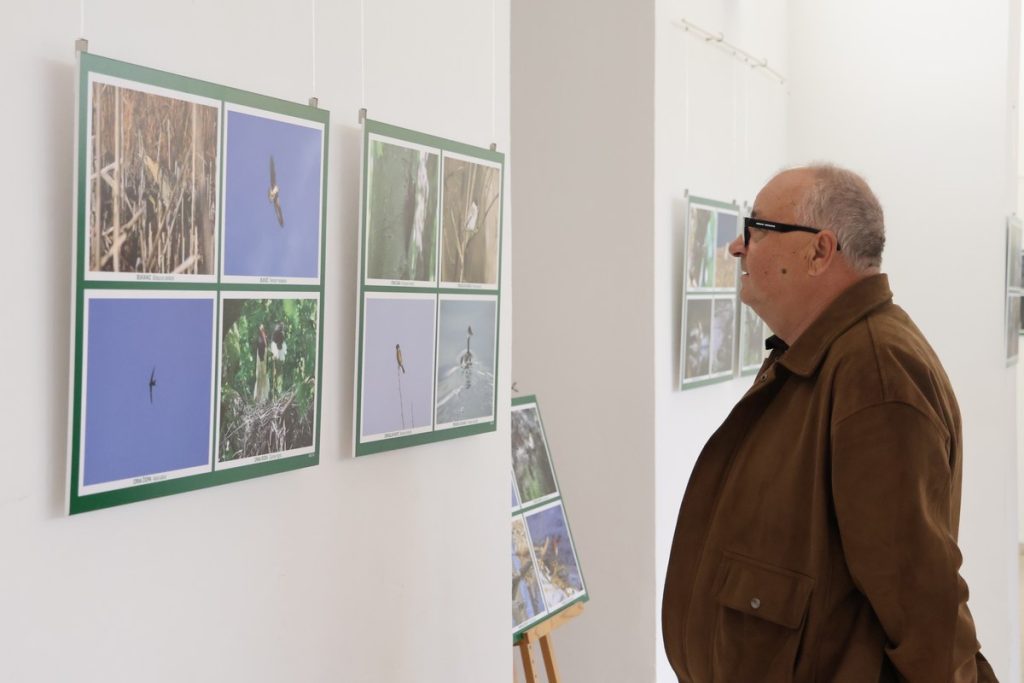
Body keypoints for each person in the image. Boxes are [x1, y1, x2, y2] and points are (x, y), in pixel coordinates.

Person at [662, 165, 997, 682]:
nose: (737, 247)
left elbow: (921, 602)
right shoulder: (827, 356)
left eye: (757, 229)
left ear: (819, 252)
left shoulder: (875, 371)